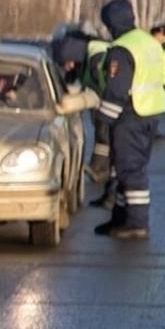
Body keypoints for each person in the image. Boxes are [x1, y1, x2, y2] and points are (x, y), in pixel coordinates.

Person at [93, 0, 165, 240]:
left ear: (112, 24)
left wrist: (103, 120)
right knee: (127, 166)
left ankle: (136, 222)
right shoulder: (148, 42)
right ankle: (121, 217)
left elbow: (116, 89)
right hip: (150, 113)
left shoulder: (122, 49)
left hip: (131, 114)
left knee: (129, 168)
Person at [51, 29, 114, 201]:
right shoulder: (83, 58)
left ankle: (103, 173)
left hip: (113, 103)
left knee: (106, 134)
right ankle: (101, 172)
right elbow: (74, 83)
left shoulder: (97, 56)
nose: (67, 67)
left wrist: (93, 100)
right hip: (105, 102)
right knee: (103, 134)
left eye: (68, 62)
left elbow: (104, 85)